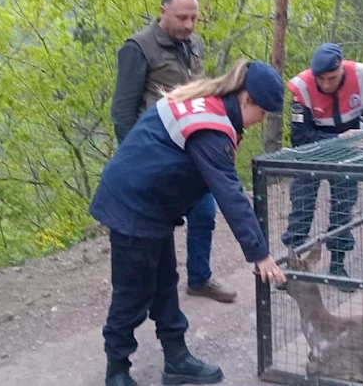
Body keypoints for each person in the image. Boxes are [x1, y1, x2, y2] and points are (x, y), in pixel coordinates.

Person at [92, 59, 288, 386]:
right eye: (263, 112)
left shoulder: (207, 103)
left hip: (152, 205)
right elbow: (230, 193)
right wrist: (260, 254)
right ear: (247, 98)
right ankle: (117, 370)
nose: (261, 120)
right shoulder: (211, 126)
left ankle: (177, 359)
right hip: (132, 206)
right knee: (133, 293)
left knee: (165, 281)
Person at [109, 0, 237, 303]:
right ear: (163, 11)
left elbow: (201, 90)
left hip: (192, 147)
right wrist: (133, 159)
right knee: (157, 225)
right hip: (155, 153)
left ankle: (199, 278)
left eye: (194, 18)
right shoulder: (137, 47)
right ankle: (153, 290)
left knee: (205, 212)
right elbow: (122, 110)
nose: (189, 25)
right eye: (182, 18)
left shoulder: (194, 43)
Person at [281, 43, 363, 293]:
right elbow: (299, 136)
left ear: (342, 68)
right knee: (302, 207)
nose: (326, 84)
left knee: (343, 209)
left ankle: (337, 265)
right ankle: (293, 265)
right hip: (312, 154)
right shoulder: (303, 87)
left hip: (348, 155)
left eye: (332, 78)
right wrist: (338, 141)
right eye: (321, 79)